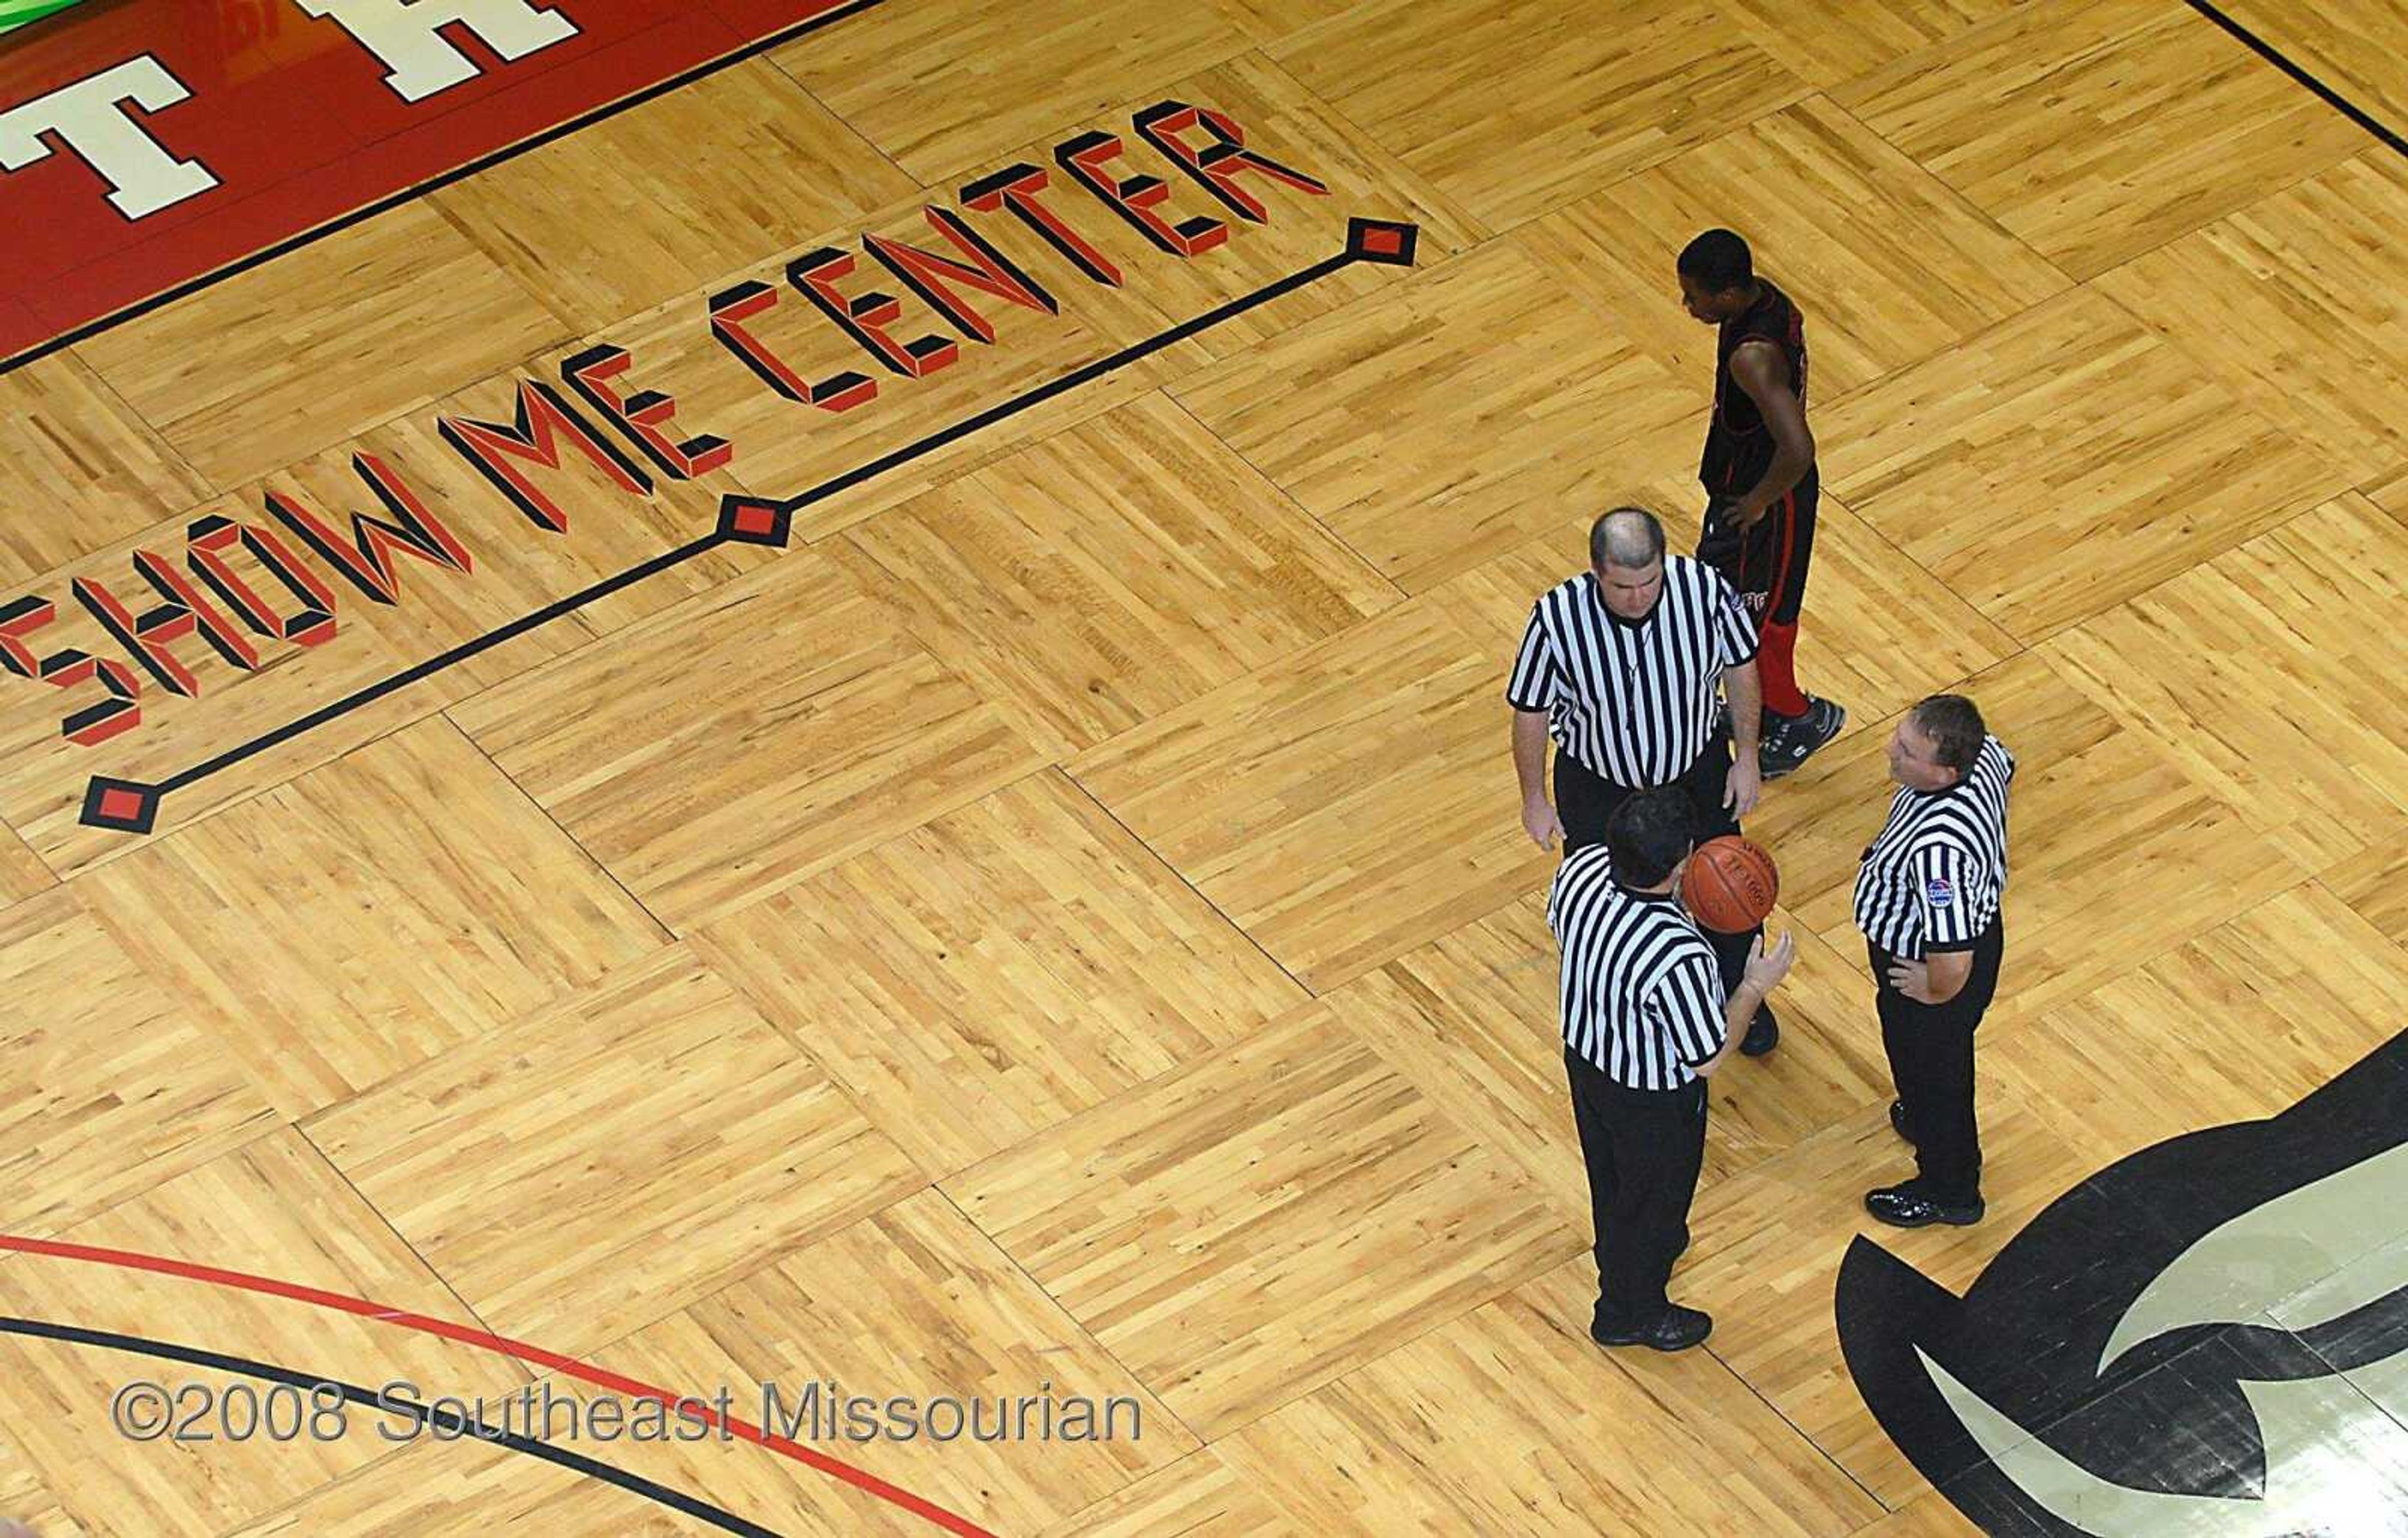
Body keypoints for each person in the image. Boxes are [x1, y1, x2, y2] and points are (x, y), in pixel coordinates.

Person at [1509, 505, 1778, 1054]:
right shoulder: (1556, 617)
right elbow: (1530, 709)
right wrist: (1534, 798)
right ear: (1596, 572)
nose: (1637, 598)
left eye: (1649, 581)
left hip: (1694, 771)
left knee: (1727, 880)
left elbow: (1741, 665)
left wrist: (1747, 755)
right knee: (1607, 900)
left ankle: (1739, 999)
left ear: (1664, 561)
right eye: (1622, 586)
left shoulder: (1704, 590)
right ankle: (1619, 996)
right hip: (1600, 783)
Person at [1551, 788, 1796, 1349]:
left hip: (1588, 1057)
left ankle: (1633, 1252)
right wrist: (1756, 984)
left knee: (1612, 1178)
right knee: (1654, 1197)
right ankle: (1628, 1311)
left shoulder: (1581, 871)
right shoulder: (1678, 951)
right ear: (1681, 865)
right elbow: (1707, 1055)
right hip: (1652, 1096)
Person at [1677, 228, 1845, 779]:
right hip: (1752, 491)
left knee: (1759, 621)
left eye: (1694, 296)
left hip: (1770, 500)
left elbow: (1798, 447)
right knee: (1725, 608)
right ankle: (1763, 706)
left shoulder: (1752, 357)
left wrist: (1756, 504)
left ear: (1725, 297)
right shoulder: (1765, 299)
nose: (1688, 305)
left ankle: (1795, 718)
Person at [1854, 694, 2014, 1226]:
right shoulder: (1983, 754)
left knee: (1935, 1075)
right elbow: (2006, 761)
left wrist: (1931, 988)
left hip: (1937, 966)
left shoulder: (1939, 852)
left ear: (1946, 773)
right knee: (1931, 1073)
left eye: (1907, 751)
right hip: (1976, 935)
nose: (1890, 751)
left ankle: (1950, 1188)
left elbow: (1952, 953)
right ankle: (1927, 1119)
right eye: (1900, 738)